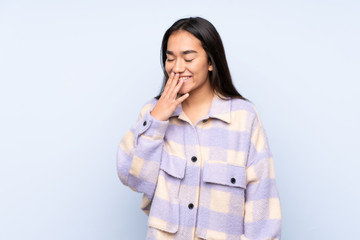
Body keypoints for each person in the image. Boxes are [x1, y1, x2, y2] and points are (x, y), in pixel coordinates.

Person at [116, 16, 282, 240]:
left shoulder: (243, 118)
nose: (177, 68)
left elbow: (263, 205)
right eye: (170, 58)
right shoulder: (153, 113)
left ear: (211, 62)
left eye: (188, 58)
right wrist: (157, 120)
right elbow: (132, 178)